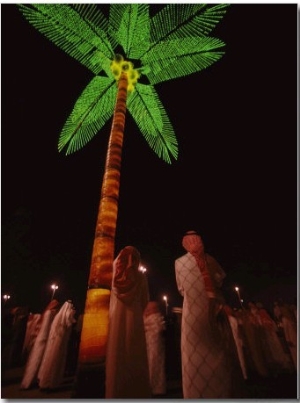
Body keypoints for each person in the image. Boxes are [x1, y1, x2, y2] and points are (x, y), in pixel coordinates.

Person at [175, 230, 246, 398]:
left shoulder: (179, 262)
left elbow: (181, 289)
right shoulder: (209, 260)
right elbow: (219, 279)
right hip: (214, 309)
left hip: (195, 314)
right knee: (218, 351)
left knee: (201, 355)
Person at [105, 246, 151, 398]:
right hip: (135, 320)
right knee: (134, 354)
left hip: (115, 320)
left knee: (115, 355)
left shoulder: (111, 276)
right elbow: (145, 302)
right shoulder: (141, 277)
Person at [20, 299, 59, 390]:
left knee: (39, 358)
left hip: (45, 337)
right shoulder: (49, 313)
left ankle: (33, 379)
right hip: (44, 337)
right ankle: (29, 380)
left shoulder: (47, 313)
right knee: (37, 358)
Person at [38, 300, 76, 390]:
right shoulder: (67, 314)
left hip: (55, 340)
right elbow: (70, 322)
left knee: (51, 359)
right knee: (56, 360)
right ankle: (51, 381)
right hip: (60, 341)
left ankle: (46, 381)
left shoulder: (58, 316)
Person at [144, 301, 166, 396]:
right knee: (151, 364)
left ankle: (154, 387)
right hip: (150, 344)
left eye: (151, 309)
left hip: (154, 344)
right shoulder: (148, 319)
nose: (148, 311)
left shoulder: (155, 319)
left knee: (154, 363)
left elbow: (157, 326)